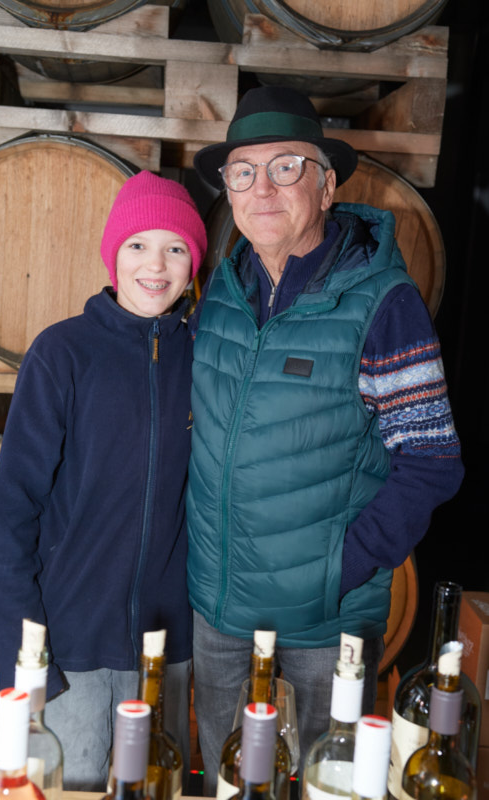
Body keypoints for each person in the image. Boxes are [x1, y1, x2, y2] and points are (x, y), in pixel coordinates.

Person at [187, 85, 465, 792]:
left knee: (322, 783)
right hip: (218, 608)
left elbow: (432, 460)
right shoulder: (222, 290)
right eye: (243, 171)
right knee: (229, 783)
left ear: (327, 184)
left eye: (286, 167)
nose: (262, 188)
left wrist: (341, 566)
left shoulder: (382, 303)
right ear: (228, 189)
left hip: (323, 620)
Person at [0, 171, 207, 791]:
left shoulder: (205, 357)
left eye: (175, 248)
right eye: (138, 245)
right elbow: (13, 517)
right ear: (113, 255)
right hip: (70, 645)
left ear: (194, 263)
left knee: (158, 788)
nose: (155, 265)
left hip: (166, 649)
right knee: (65, 788)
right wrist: (24, 663)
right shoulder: (62, 353)